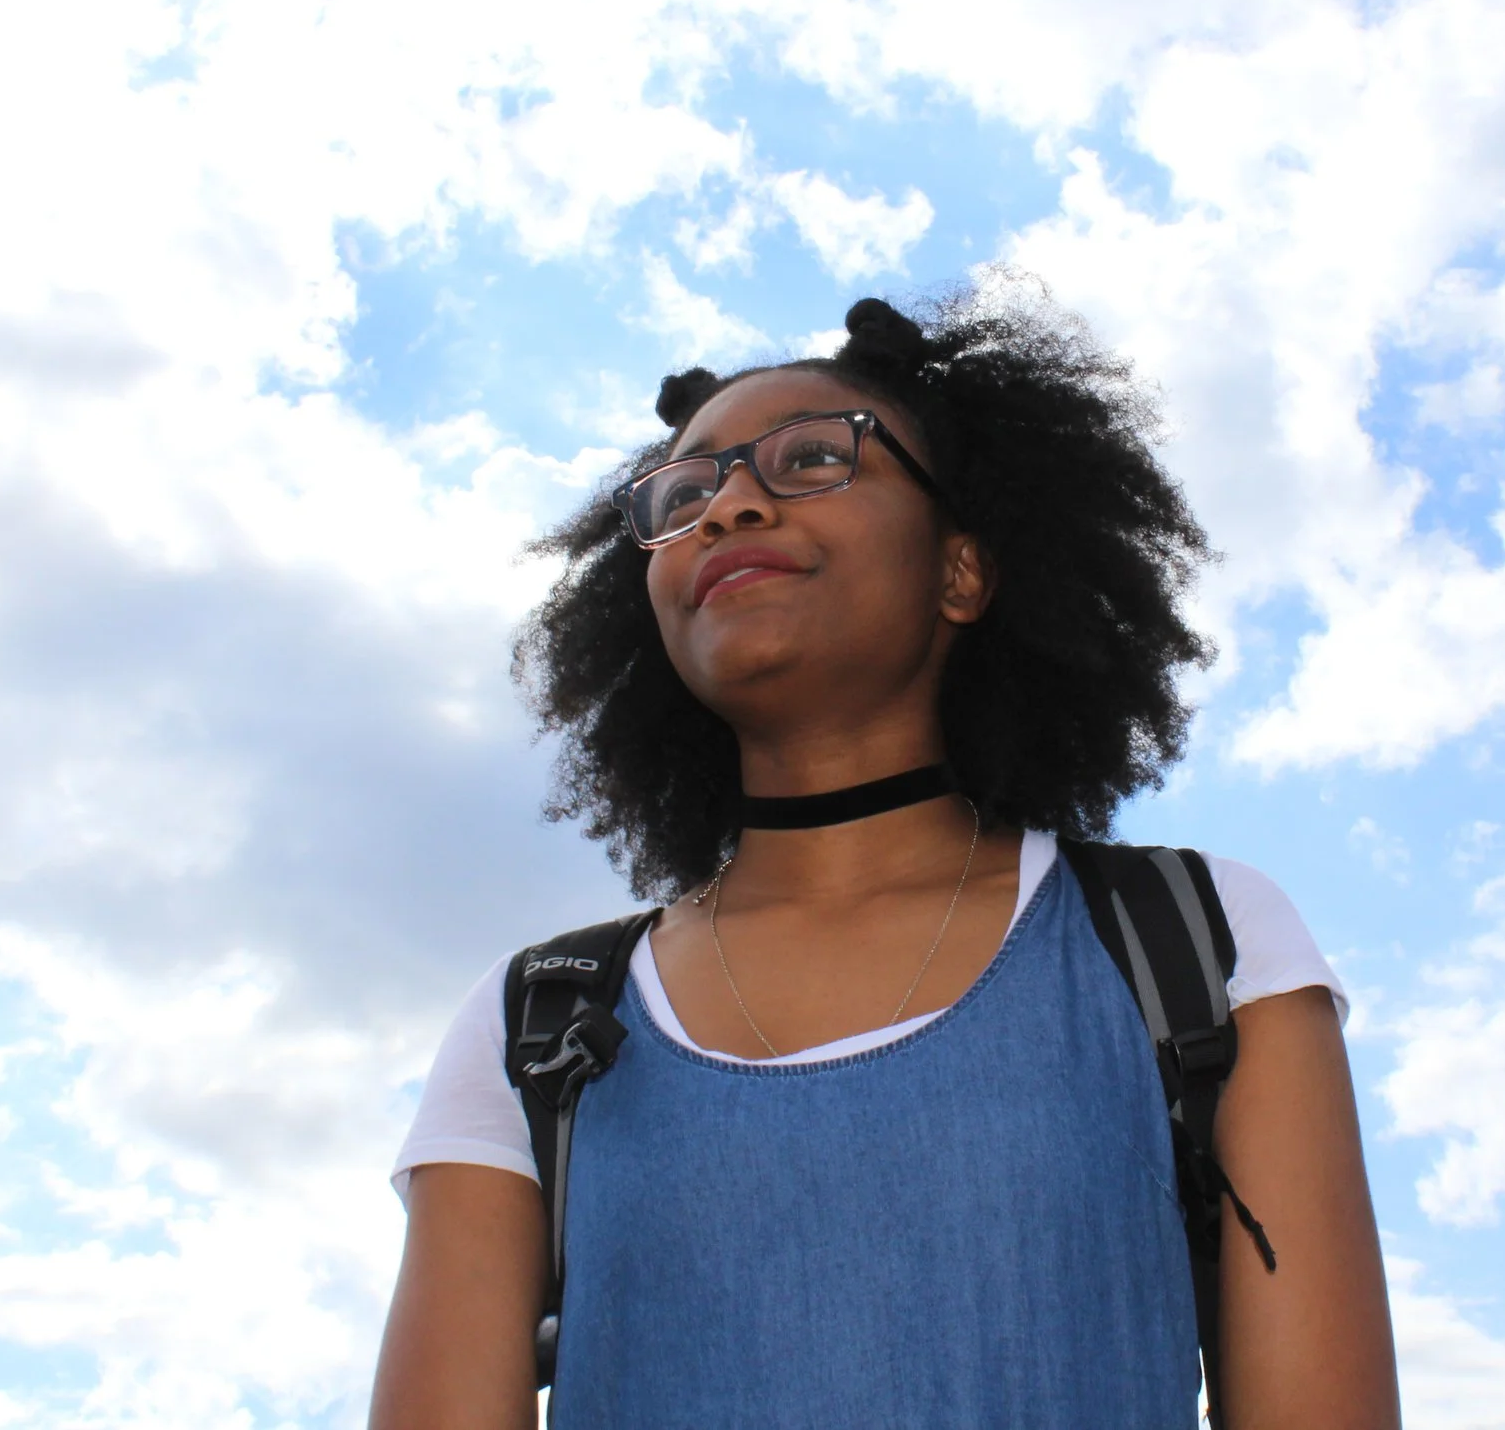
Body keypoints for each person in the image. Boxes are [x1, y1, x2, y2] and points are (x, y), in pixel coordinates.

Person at [371, 288, 1401, 1429]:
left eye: (811, 457)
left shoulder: (1200, 943)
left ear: (962, 571)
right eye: (683, 494)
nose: (728, 508)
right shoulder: (535, 1024)